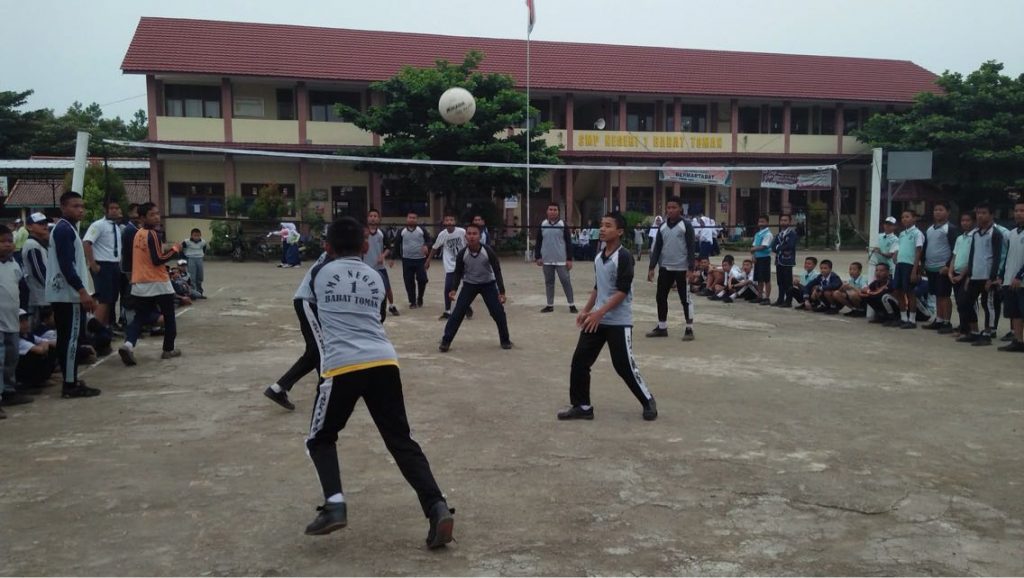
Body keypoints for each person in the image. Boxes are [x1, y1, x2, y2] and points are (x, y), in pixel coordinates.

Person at [303, 217, 455, 548]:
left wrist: (325, 359)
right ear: (363, 246)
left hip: (342, 365)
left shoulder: (319, 272)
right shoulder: (373, 275)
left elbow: (304, 307)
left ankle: (335, 505)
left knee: (320, 439)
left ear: (327, 247)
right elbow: (379, 316)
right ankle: (436, 506)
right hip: (384, 360)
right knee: (401, 440)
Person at [558, 212, 657, 422]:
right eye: (601, 225)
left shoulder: (624, 256)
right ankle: (582, 406)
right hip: (597, 318)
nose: (602, 229)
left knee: (623, 365)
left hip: (618, 321)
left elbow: (621, 291)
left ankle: (648, 399)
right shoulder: (599, 255)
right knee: (580, 361)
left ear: (619, 231)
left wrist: (599, 313)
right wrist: (586, 310)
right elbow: (598, 287)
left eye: (608, 225)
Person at [264, 240, 335, 411]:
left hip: (311, 303)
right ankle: (328, 389)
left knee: (313, 352)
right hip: (308, 302)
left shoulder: (339, 253)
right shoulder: (334, 254)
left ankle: (278, 388)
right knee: (322, 349)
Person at [45, 192, 101, 399]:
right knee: (70, 340)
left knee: (67, 338)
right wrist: (82, 291)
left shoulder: (67, 229)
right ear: (63, 207)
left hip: (64, 293)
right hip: (68, 295)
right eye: (75, 206)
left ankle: (71, 379)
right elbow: (67, 265)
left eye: (82, 206)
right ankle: (70, 384)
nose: (80, 210)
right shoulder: (63, 231)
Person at [118, 202, 182, 366]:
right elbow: (157, 260)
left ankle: (128, 344)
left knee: (140, 316)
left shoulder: (138, 233)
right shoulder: (153, 234)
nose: (156, 217)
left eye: (157, 213)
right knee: (169, 316)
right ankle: (168, 349)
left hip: (140, 282)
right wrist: (174, 250)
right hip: (158, 281)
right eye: (152, 214)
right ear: (142, 217)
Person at [438, 223, 512, 352]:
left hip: (488, 284)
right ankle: (446, 341)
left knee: (498, 312)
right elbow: (458, 272)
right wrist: (454, 289)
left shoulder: (488, 251)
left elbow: (497, 270)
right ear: (465, 236)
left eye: (475, 234)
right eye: (469, 234)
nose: (471, 237)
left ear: (480, 236)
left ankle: (505, 340)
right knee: (458, 313)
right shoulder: (462, 254)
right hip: (469, 285)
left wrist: (502, 292)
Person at [646, 197, 696, 340]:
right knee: (660, 297)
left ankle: (689, 328)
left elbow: (692, 247)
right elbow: (657, 249)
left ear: (680, 209)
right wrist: (651, 267)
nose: (670, 210)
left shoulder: (686, 226)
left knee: (685, 299)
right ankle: (662, 327)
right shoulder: (662, 226)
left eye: (674, 207)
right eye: (668, 208)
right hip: (665, 268)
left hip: (682, 268)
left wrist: (691, 268)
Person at [957, 203, 1005, 346]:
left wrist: (992, 277)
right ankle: (974, 331)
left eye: (984, 213)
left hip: (987, 276)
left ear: (991, 215)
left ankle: (987, 333)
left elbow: (997, 257)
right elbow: (972, 254)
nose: (980, 216)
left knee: (988, 305)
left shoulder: (995, 234)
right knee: (966, 303)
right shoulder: (976, 233)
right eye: (978, 213)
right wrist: (969, 275)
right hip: (975, 275)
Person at [0, 226, 34, 410]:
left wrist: (22, 314)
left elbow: (21, 290)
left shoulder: (14, 264)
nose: (7, 245)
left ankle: (8, 390)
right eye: (3, 241)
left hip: (11, 319)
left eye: (9, 241)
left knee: (11, 357)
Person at [83, 199, 123, 350]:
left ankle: (104, 330)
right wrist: (93, 264)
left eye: (116, 207)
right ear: (105, 211)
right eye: (111, 208)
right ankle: (95, 333)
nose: (115, 210)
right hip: (103, 265)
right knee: (104, 300)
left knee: (111, 299)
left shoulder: (116, 227)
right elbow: (87, 242)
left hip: (114, 265)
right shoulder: (98, 225)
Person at [919, 202, 959, 331]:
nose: (937, 212)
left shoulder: (950, 229)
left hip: (943, 268)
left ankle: (947, 322)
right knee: (937, 294)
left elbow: (955, 249)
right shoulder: (930, 229)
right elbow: (925, 248)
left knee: (944, 295)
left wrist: (948, 266)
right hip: (930, 267)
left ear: (948, 212)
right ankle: (939, 319)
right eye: (936, 209)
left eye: (941, 210)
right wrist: (923, 263)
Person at [535, 203, 577, 314]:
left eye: (555, 210)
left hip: (561, 259)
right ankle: (549, 305)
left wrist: (569, 259)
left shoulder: (563, 224)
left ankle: (572, 304)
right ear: (547, 211)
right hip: (547, 259)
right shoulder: (542, 224)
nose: (552, 211)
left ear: (558, 212)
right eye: (550, 209)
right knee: (549, 282)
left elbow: (568, 242)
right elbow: (539, 241)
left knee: (565, 281)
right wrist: (538, 256)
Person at [389, 212, 431, 309]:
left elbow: (429, 241)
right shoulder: (402, 231)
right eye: (410, 217)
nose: (412, 219)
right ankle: (412, 301)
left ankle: (420, 297)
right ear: (407, 219)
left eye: (414, 218)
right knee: (409, 281)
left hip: (420, 260)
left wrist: (426, 246)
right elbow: (396, 245)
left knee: (422, 279)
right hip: (407, 260)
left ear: (417, 219)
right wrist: (392, 258)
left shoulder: (422, 230)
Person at [997, 199, 1024, 352]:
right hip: (1009, 279)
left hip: (1020, 281)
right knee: (1015, 313)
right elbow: (1007, 256)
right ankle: (1018, 341)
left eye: (1022, 210)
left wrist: (1019, 276)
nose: (1019, 213)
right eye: (1016, 210)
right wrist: (1002, 274)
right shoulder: (1012, 233)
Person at [431, 212, 468, 320]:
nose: (449, 222)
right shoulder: (442, 234)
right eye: (447, 220)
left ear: (455, 222)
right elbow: (435, 247)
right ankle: (447, 311)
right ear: (444, 222)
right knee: (448, 287)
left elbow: (469, 244)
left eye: (451, 220)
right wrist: (428, 261)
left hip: (464, 264)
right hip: (451, 265)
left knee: (467, 287)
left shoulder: (462, 232)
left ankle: (466, 307)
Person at [892, 210, 925, 329]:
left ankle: (912, 319)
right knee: (898, 291)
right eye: (903, 217)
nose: (904, 219)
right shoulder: (901, 234)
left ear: (914, 218)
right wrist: (896, 254)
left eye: (907, 217)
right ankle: (903, 317)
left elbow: (918, 251)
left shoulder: (917, 233)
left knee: (910, 292)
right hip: (900, 264)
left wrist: (914, 270)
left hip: (910, 265)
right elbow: (900, 247)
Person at [364, 209, 399, 317]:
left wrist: (383, 256)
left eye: (375, 216)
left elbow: (388, 248)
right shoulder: (363, 232)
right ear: (367, 218)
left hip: (379, 266)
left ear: (379, 219)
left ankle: (392, 305)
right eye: (371, 216)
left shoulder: (381, 233)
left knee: (386, 287)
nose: (373, 218)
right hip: (365, 266)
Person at [947, 211, 976, 336]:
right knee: (959, 303)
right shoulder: (960, 238)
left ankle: (973, 330)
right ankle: (963, 328)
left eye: (967, 220)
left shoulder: (975, 236)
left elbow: (972, 258)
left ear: (973, 221)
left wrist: (962, 275)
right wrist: (950, 272)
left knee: (966, 302)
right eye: (963, 220)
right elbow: (955, 255)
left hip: (968, 275)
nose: (964, 223)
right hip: (956, 273)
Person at [21, 212, 51, 324]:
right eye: (40, 223)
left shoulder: (40, 244)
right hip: (39, 296)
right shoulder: (32, 245)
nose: (45, 225)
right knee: (37, 326)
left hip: (43, 295)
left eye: (45, 223)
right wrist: (50, 288)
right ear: (29, 227)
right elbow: (38, 271)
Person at [16, 309, 57, 389]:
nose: (25, 323)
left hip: (39, 350)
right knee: (36, 355)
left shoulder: (29, 335)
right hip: (21, 371)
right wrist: (44, 346)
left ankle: (43, 379)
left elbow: (48, 342)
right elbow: (40, 350)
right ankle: (31, 382)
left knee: (50, 349)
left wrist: (44, 345)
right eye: (21, 321)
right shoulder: (17, 339)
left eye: (26, 320)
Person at [771, 214, 798, 307]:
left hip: (787, 261)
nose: (783, 222)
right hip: (779, 261)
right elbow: (773, 247)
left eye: (785, 220)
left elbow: (790, 246)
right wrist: (780, 247)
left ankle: (788, 300)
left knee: (787, 282)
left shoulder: (792, 233)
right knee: (780, 281)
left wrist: (779, 247)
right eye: (782, 220)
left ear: (789, 222)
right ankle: (780, 299)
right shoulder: (779, 234)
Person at [750, 215, 774, 305]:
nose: (760, 223)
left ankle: (767, 298)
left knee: (766, 278)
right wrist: (753, 255)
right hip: (757, 258)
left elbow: (764, 246)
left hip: (765, 258)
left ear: (767, 222)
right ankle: (759, 296)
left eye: (763, 221)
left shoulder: (768, 234)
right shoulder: (758, 234)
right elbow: (754, 245)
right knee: (759, 278)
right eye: (759, 221)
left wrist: (753, 250)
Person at [868, 217, 900, 281]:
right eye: (886, 224)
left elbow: (891, 255)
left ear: (894, 227)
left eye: (890, 224)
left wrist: (880, 252)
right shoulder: (878, 236)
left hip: (888, 268)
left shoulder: (895, 239)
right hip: (877, 266)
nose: (887, 226)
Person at [181, 227, 208, 295]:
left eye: (198, 235)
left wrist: (201, 255)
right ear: (191, 235)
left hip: (199, 259)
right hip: (190, 259)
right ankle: (193, 292)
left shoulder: (203, 242)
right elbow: (181, 249)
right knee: (192, 276)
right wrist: (183, 258)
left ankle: (199, 291)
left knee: (200, 276)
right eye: (195, 235)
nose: (196, 237)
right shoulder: (186, 242)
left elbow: (204, 249)